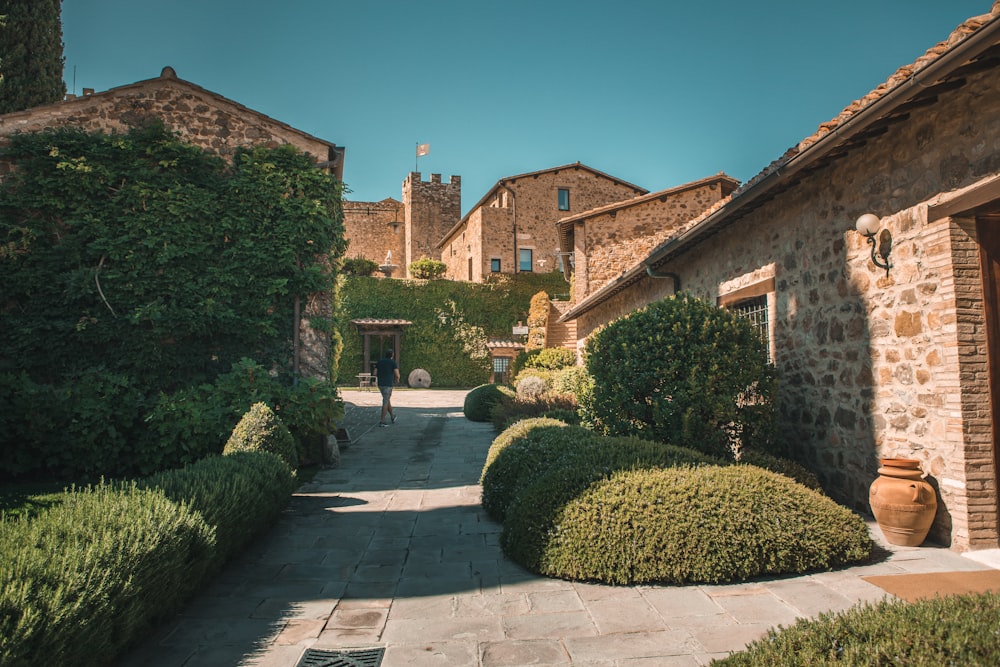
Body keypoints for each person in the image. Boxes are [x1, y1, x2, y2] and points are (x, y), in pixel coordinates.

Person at [375, 349, 400, 426]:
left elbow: (375, 372)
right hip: (388, 384)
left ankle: (392, 416)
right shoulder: (393, 363)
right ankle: (382, 421)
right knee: (385, 401)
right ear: (392, 355)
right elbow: (397, 374)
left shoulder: (380, 361)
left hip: (380, 384)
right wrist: (397, 379)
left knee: (387, 399)